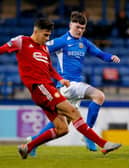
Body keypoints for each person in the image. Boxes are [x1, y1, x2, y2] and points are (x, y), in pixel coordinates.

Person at [0, 18, 121, 159]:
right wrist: (63, 80)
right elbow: (2, 49)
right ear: (35, 31)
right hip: (41, 87)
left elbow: (50, 68)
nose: (47, 38)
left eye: (49, 36)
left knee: (62, 129)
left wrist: (60, 79)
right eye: (45, 35)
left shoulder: (44, 48)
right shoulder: (22, 41)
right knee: (77, 110)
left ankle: (28, 146)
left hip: (50, 87)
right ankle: (102, 143)